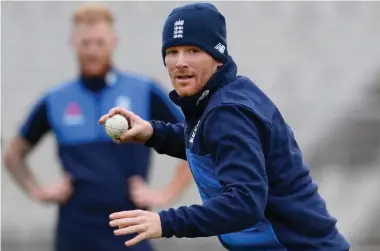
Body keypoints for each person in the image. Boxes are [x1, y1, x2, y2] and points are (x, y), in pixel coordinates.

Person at [100, 2, 351, 251]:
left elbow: (244, 203)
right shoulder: (215, 100)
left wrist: (166, 222)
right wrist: (154, 133)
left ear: (217, 57)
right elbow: (210, 144)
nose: (180, 62)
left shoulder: (228, 112)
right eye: (172, 51)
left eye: (193, 50)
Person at [2, 3, 192, 251]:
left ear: (113, 41)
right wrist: (39, 191)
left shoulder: (143, 91)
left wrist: (165, 195)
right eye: (85, 43)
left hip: (130, 231)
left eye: (99, 42)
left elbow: (195, 142)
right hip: (74, 234)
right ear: (73, 43)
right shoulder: (56, 100)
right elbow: (13, 156)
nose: (92, 51)